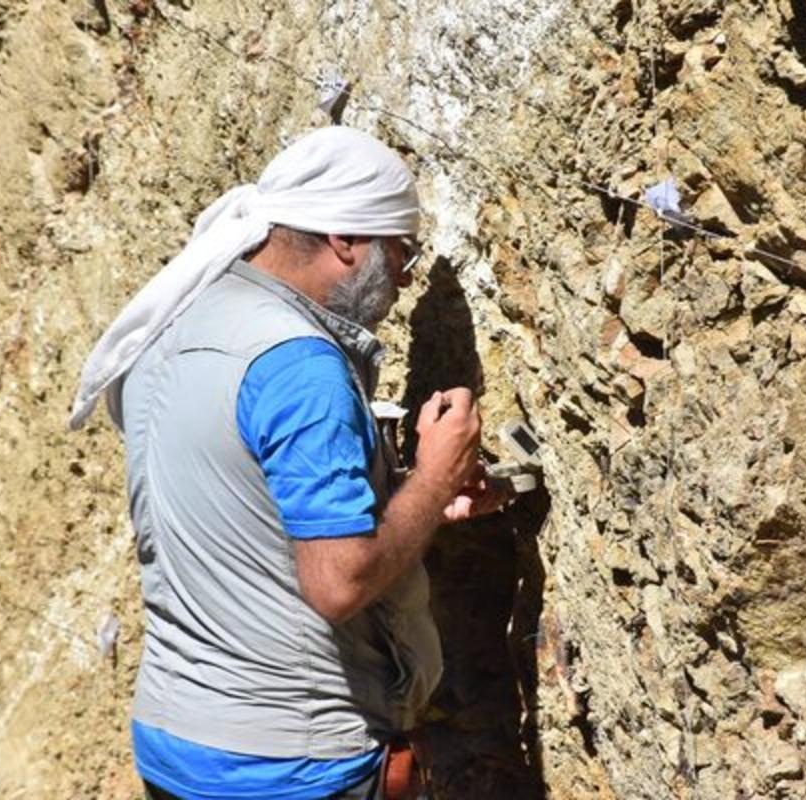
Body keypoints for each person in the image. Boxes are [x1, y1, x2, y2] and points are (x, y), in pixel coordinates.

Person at [71, 126, 507, 799]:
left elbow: (243, 512)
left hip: (176, 742)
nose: (400, 279)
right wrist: (432, 476)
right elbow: (337, 583)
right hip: (288, 764)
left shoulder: (181, 324)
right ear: (345, 240)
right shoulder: (299, 366)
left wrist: (417, 503)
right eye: (401, 254)